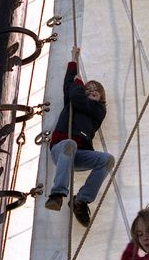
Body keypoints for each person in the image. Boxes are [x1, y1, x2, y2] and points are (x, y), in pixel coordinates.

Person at [44, 46, 115, 227]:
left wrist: (78, 85)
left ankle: (81, 201)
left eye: (95, 92)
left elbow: (76, 94)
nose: (91, 92)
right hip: (61, 150)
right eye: (88, 90)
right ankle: (57, 194)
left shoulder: (98, 110)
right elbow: (69, 85)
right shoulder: (74, 99)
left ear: (101, 98)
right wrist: (73, 60)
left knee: (107, 160)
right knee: (69, 144)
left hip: (79, 154)